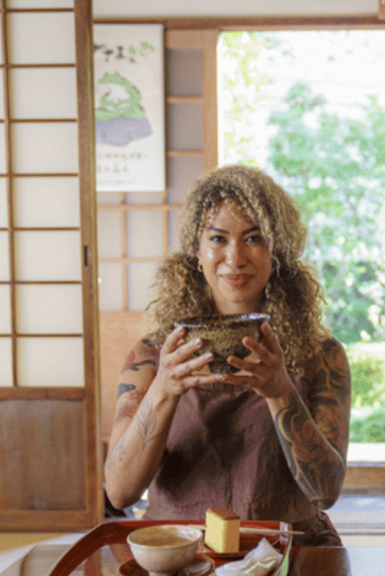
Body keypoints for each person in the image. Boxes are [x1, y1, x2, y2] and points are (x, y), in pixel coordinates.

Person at [104, 165, 351, 547]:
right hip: (179, 556)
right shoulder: (151, 357)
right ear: (196, 252)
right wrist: (165, 390)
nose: (235, 258)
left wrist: (279, 390)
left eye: (254, 238)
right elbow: (119, 493)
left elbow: (325, 492)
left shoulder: (320, 355)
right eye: (218, 239)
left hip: (290, 554)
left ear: (276, 251)